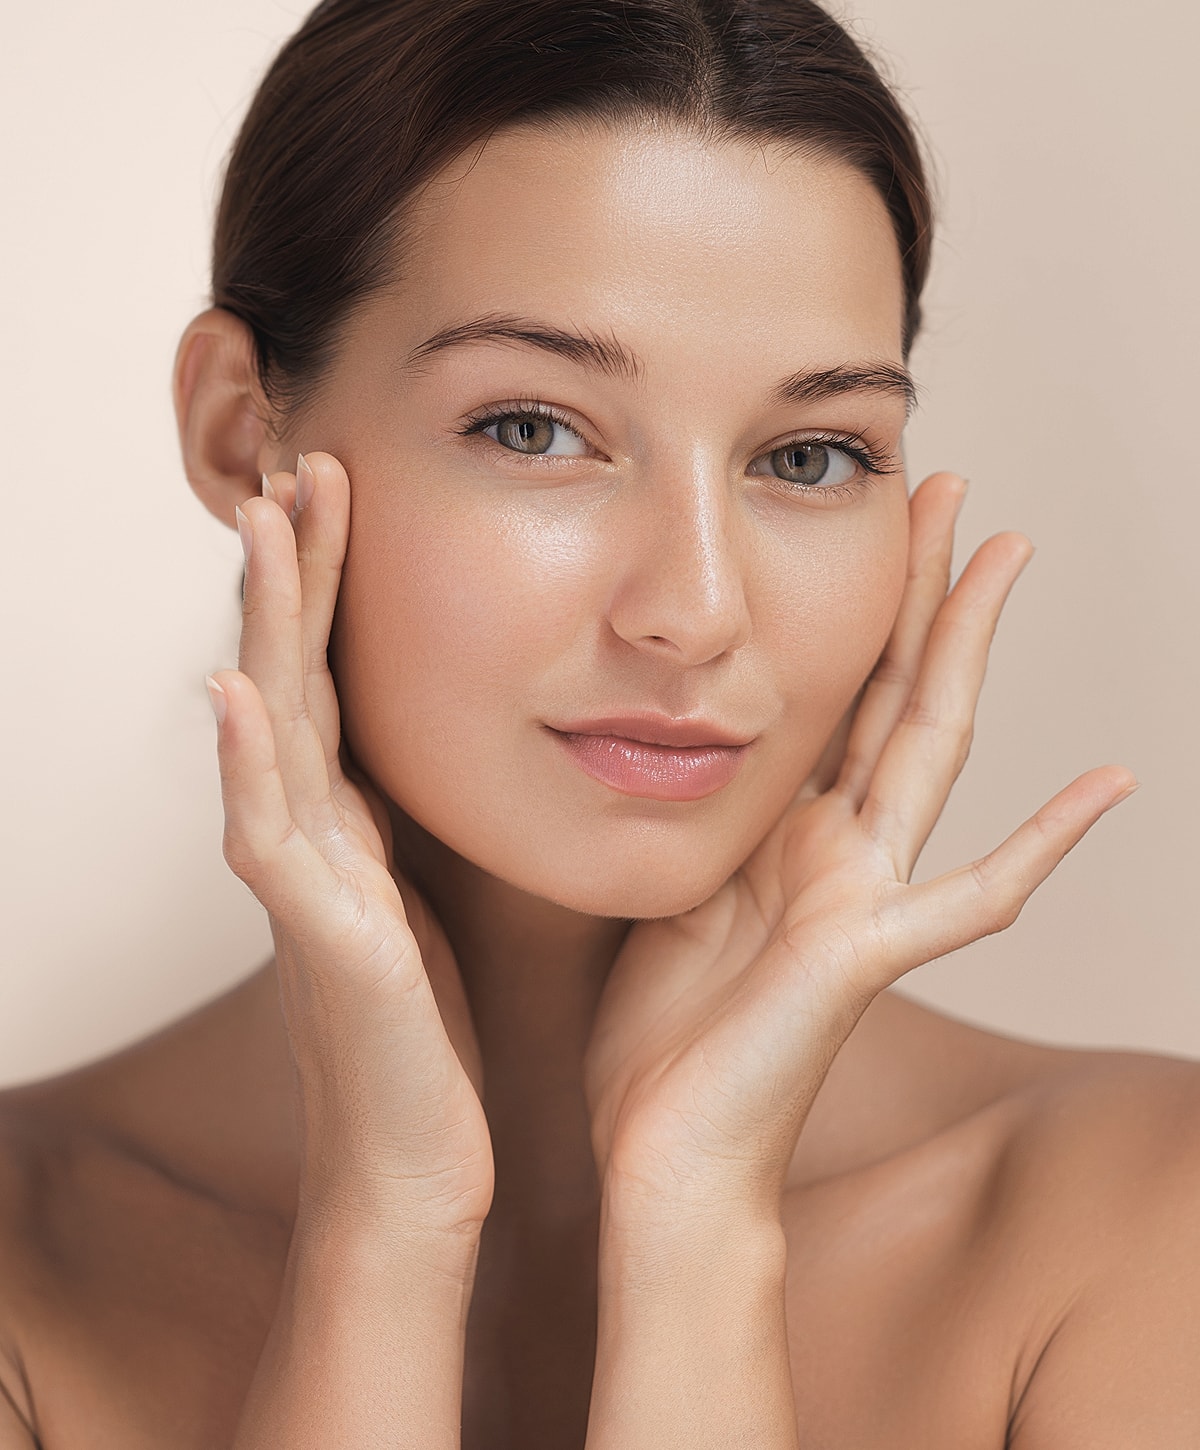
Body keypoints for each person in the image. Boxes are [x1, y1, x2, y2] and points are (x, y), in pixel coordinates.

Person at [0, 0, 1196, 1445]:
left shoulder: (1142, 1224)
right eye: (533, 428)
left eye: (810, 456)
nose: (695, 609)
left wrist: (700, 1227)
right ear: (243, 434)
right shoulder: (28, 1267)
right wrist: (385, 1222)